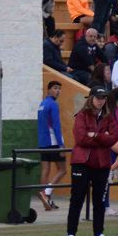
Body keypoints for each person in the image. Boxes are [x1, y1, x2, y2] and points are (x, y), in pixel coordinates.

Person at [63, 87, 118, 236]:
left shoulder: (109, 117)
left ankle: (98, 234)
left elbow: (114, 138)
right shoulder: (82, 115)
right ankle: (71, 234)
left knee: (99, 201)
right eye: (98, 97)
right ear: (91, 98)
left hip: (102, 164)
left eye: (103, 98)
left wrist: (95, 135)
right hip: (82, 163)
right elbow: (81, 139)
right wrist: (104, 137)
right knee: (77, 199)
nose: (101, 100)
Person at [37, 81, 67, 211]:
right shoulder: (53, 104)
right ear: (48, 90)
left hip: (43, 142)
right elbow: (56, 125)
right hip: (53, 142)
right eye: (55, 88)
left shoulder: (42, 104)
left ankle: (45, 195)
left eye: (59, 89)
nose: (58, 91)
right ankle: (46, 192)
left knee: (46, 170)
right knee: (63, 170)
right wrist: (61, 145)